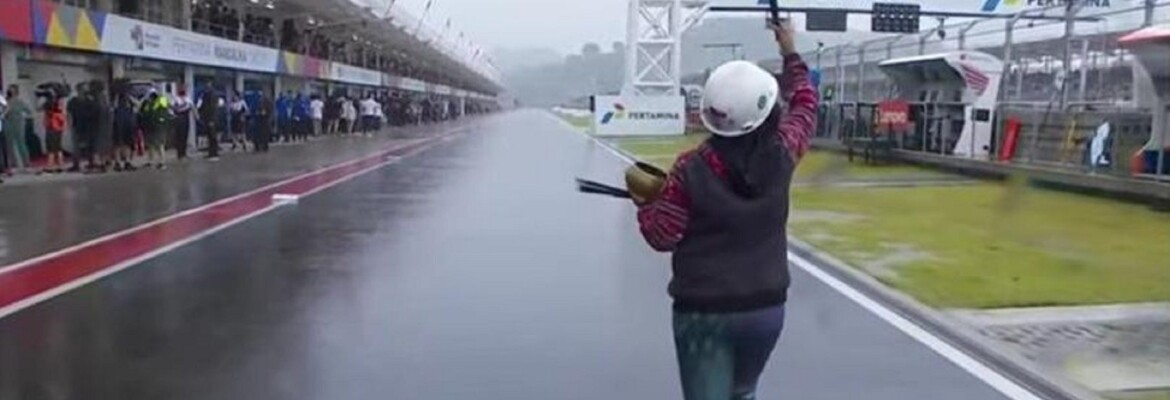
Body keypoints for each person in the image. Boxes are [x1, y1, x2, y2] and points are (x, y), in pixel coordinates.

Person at [627, 21, 815, 400]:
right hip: (765, 309)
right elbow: (806, 102)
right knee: (742, 393)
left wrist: (646, 202)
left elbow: (663, 235)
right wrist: (789, 50)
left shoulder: (688, 169)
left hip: (703, 313)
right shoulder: (785, 152)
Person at [3, 86, 32, 173]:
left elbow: (28, 111)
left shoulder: (20, 102)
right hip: (8, 124)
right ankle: (13, 164)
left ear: (15, 92)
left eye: (11, 90)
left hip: (19, 124)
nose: (10, 91)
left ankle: (26, 164)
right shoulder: (5, 101)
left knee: (21, 143)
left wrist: (23, 116)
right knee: (9, 145)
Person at [140, 91, 171, 169]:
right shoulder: (156, 105)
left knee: (157, 145)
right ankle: (156, 161)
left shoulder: (154, 104)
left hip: (155, 127)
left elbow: (145, 113)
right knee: (155, 145)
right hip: (156, 127)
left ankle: (160, 162)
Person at [66, 82, 90, 172]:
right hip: (76, 125)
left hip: (87, 125)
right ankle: (76, 164)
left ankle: (90, 162)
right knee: (76, 146)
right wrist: (69, 124)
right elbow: (69, 114)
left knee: (87, 145)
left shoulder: (88, 100)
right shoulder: (73, 101)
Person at [90, 81, 113, 172]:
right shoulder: (105, 98)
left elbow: (97, 111)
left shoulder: (97, 98)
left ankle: (101, 163)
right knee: (105, 144)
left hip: (99, 124)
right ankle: (106, 162)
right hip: (106, 124)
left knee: (99, 145)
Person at [112, 93, 138, 171]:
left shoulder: (123, 108)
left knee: (123, 145)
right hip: (121, 126)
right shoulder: (120, 108)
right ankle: (121, 162)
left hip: (123, 126)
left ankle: (122, 162)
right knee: (120, 145)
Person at [43, 96, 67, 173]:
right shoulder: (59, 111)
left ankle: (51, 165)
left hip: (52, 129)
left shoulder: (50, 113)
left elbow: (46, 123)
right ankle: (60, 164)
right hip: (58, 130)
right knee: (58, 147)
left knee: (51, 148)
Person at [197, 88, 221, 160]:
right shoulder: (208, 100)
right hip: (209, 120)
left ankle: (214, 154)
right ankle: (211, 153)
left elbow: (212, 110)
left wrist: (212, 120)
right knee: (210, 137)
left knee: (212, 137)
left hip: (211, 120)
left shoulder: (212, 101)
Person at [171, 87, 194, 160]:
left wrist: (196, 116)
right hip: (179, 118)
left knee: (185, 136)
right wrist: (178, 109)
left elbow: (192, 107)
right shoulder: (176, 99)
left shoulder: (187, 99)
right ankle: (180, 154)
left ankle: (184, 153)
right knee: (179, 136)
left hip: (186, 118)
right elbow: (172, 107)